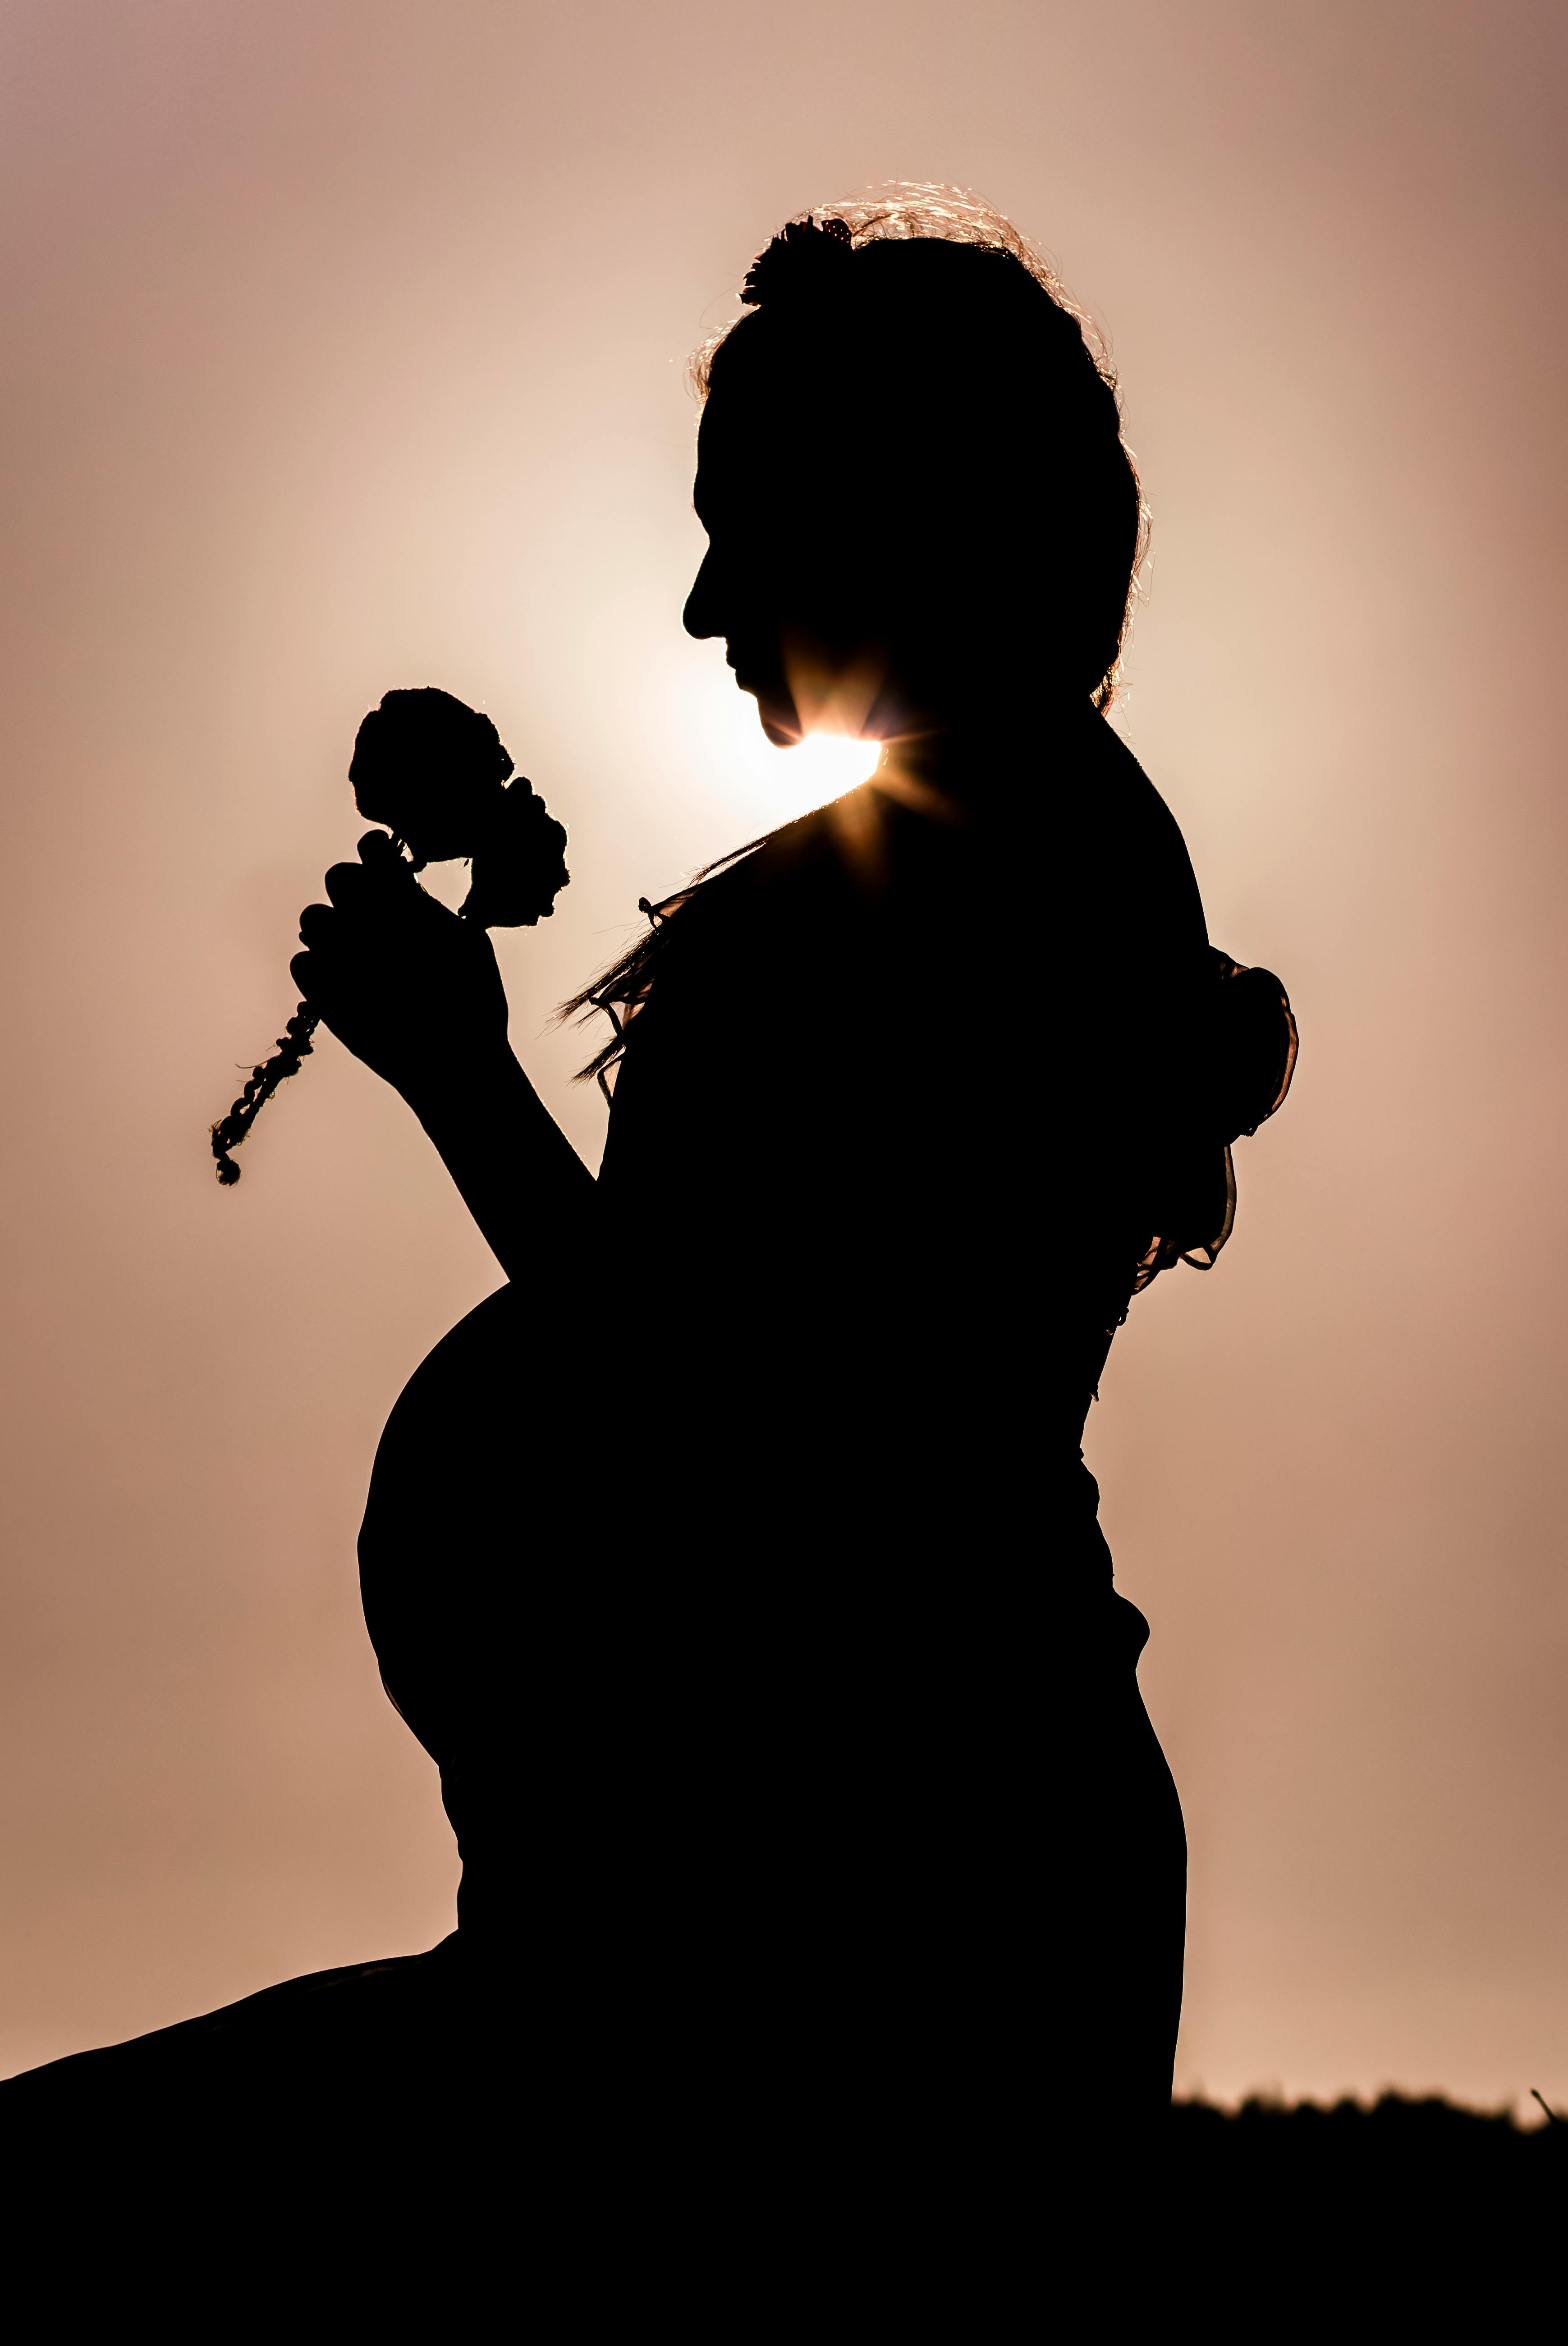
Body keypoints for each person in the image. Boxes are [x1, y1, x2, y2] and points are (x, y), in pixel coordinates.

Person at [5, 192, 1295, 2287]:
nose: (702, 603)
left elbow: (741, 1416)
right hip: (766, 1917)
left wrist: (461, 1079)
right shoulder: (1032, 848)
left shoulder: (969, 882)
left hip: (799, 1953)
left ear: (889, 509)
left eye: (739, 523)